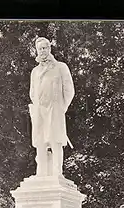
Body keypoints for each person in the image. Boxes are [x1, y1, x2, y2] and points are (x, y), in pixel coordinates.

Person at [29, 37, 75, 176]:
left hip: (55, 109)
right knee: (40, 142)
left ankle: (57, 172)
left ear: (49, 49)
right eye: (39, 49)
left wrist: (62, 107)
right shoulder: (35, 71)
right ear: (36, 51)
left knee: (56, 141)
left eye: (44, 48)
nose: (42, 51)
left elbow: (69, 90)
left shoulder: (61, 67)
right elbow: (32, 92)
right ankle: (41, 172)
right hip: (40, 110)